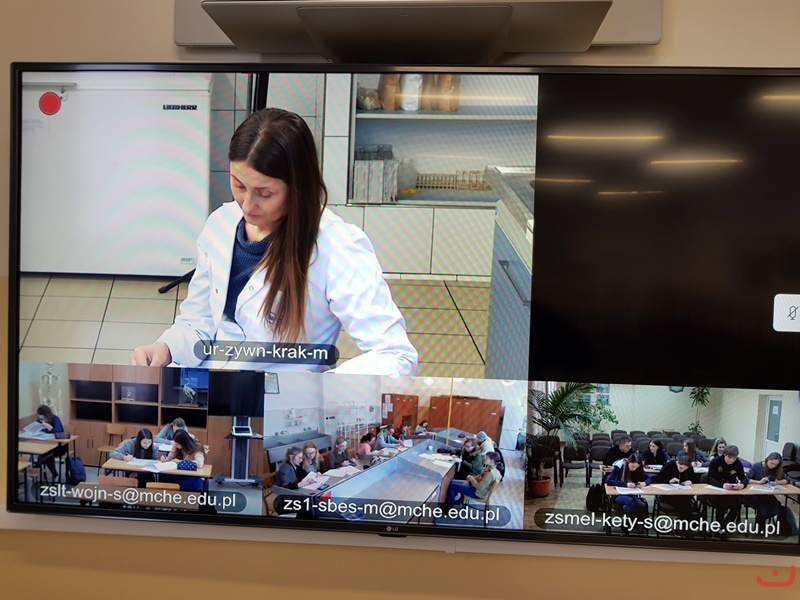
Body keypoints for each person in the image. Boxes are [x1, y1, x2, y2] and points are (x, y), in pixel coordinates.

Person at [129, 108, 417, 377]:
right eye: (239, 185)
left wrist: (319, 392)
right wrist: (167, 348)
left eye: (265, 193)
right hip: (211, 383)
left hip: (283, 399)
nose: (247, 205)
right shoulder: (220, 224)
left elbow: (395, 355)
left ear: (297, 187)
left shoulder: (337, 247)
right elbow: (199, 320)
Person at [746, 452, 799, 536]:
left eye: (775, 465)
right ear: (767, 460)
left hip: (768, 495)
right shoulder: (757, 466)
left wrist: (778, 482)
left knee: (781, 508)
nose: (773, 466)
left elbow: (787, 480)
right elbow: (746, 479)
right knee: (765, 508)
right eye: (771, 463)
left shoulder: (776, 469)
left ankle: (790, 530)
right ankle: (760, 526)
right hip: (755, 495)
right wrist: (759, 482)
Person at [707, 445, 749, 539]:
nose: (732, 460)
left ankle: (722, 527)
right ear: (724, 454)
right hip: (716, 491)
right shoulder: (716, 461)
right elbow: (710, 478)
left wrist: (742, 484)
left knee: (737, 505)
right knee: (720, 505)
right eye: (730, 457)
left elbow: (743, 478)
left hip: (730, 491)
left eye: (734, 458)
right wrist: (722, 485)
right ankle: (720, 529)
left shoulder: (737, 463)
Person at [606, 453, 649, 533]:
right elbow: (609, 481)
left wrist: (645, 483)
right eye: (632, 466)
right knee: (631, 503)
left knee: (643, 503)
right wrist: (625, 484)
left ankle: (637, 525)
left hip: (632, 494)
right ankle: (627, 527)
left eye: (636, 467)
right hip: (617, 494)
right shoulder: (619, 466)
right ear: (628, 462)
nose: (634, 469)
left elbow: (650, 477)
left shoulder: (638, 468)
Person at [655, 457, 698, 534]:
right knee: (685, 505)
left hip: (683, 494)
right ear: (677, 463)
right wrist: (668, 481)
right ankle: (684, 527)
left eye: (684, 469)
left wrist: (690, 481)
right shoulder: (669, 466)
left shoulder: (689, 468)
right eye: (680, 468)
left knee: (685, 503)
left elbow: (695, 480)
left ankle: (683, 526)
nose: (682, 470)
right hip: (668, 495)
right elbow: (658, 479)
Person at [34, 405, 67, 480]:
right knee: (44, 454)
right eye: (40, 419)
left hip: (60, 446)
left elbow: (60, 432)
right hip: (47, 445)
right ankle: (34, 473)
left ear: (47, 416)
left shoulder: (55, 419)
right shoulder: (39, 421)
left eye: (43, 419)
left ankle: (54, 475)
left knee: (45, 455)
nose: (41, 421)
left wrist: (50, 427)